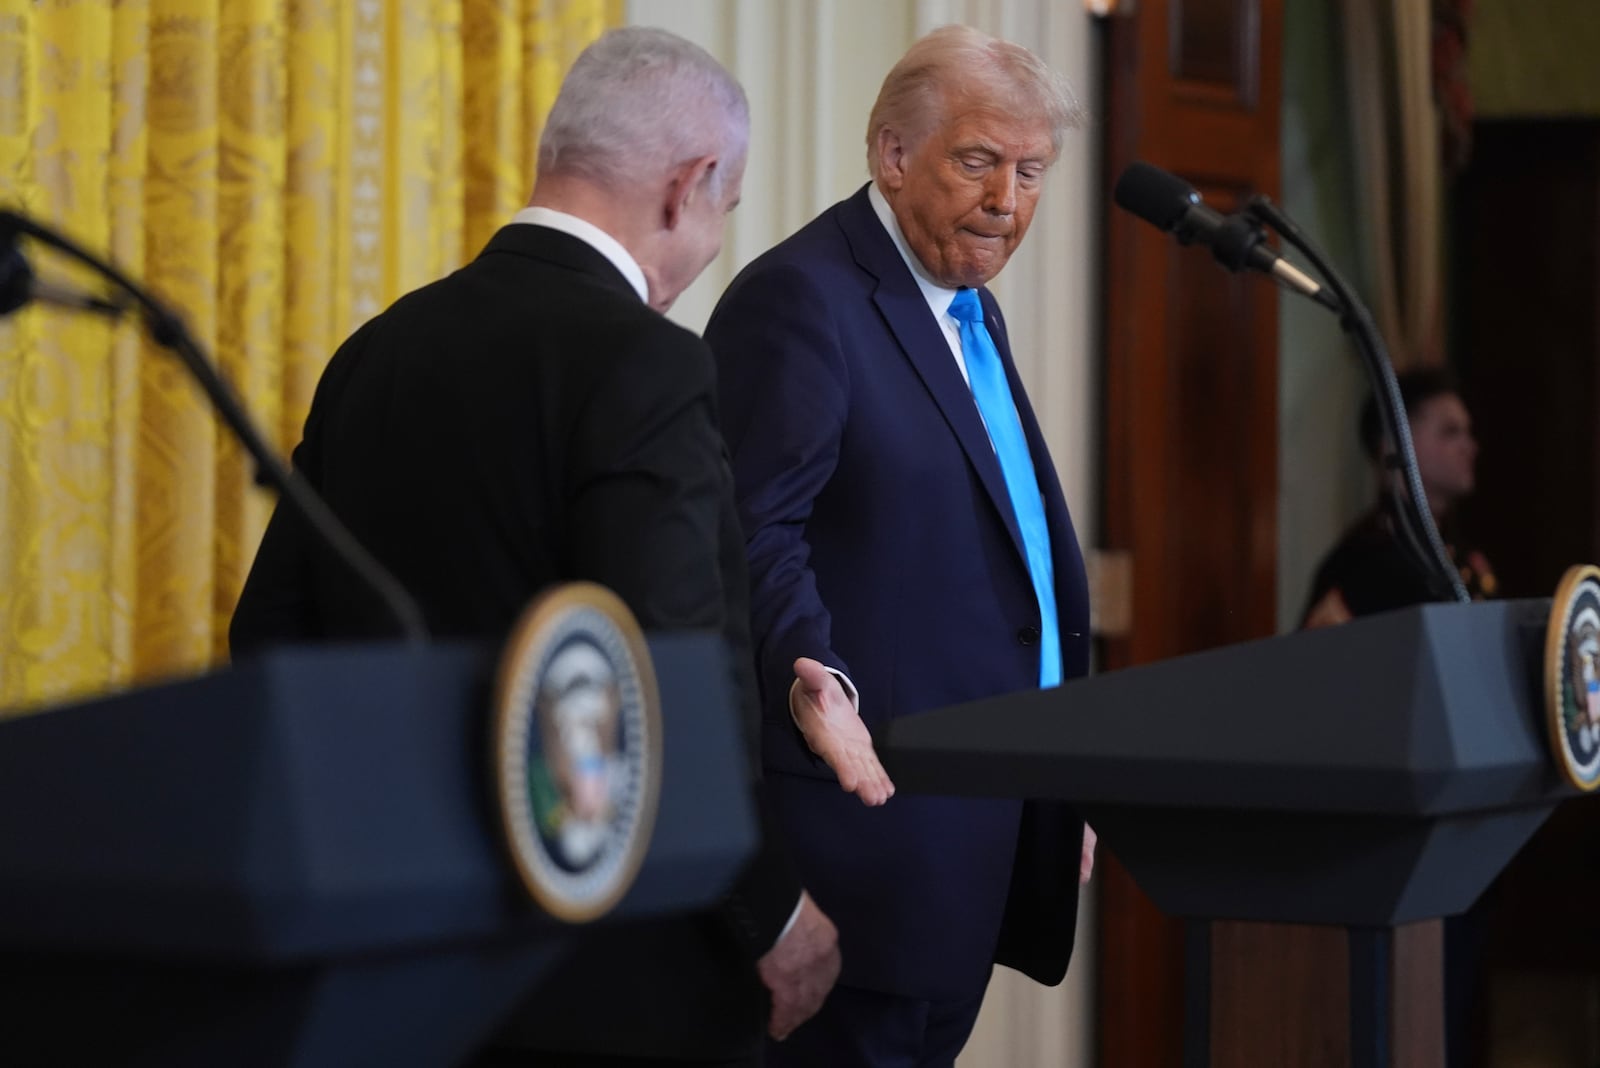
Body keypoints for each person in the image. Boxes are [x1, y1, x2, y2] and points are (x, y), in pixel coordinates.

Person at [228, 28, 839, 1067]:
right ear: (688, 187)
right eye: (721, 219)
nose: (705, 253)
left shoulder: (378, 350)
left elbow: (269, 637)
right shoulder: (649, 365)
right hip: (609, 966)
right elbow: (667, 683)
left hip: (395, 950)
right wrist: (776, 916)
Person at [704, 25, 1094, 1067]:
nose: (1006, 200)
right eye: (977, 162)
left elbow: (1005, 578)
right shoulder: (804, 300)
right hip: (861, 855)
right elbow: (751, 533)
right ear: (890, 153)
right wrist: (812, 674)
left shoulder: (970, 311)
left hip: (974, 841)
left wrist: (1062, 774)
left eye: (1030, 171)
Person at [1301, 367, 1496, 627]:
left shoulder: (1457, 551)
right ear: (1393, 444)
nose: (1470, 447)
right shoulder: (1365, 561)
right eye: (1450, 432)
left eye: (1467, 432)